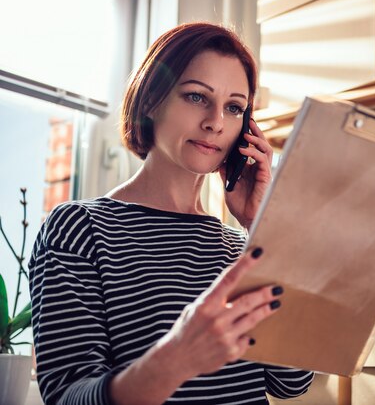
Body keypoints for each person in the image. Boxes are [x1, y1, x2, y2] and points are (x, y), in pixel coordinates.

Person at [29, 22, 314, 404]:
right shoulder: (78, 229)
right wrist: (177, 358)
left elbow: (292, 383)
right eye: (197, 97)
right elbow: (67, 397)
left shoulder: (241, 247)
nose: (215, 122)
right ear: (151, 100)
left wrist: (262, 227)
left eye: (234, 108)